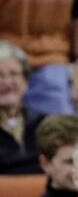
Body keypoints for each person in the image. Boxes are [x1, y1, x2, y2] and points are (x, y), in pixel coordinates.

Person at [0, 41, 45, 174]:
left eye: (14, 74)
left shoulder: (43, 124)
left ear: (25, 81)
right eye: (0, 75)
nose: (7, 82)